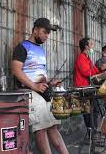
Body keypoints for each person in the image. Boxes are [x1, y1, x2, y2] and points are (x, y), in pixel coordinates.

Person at [11, 18, 68, 154]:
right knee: (41, 128)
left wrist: (50, 82)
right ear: (35, 30)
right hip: (29, 92)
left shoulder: (41, 50)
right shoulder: (22, 47)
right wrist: (34, 86)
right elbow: (16, 70)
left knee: (53, 126)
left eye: (48, 33)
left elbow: (38, 73)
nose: (47, 36)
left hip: (44, 91)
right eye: (45, 32)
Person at [73, 38, 100, 128]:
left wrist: (103, 71)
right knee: (89, 111)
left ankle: (93, 132)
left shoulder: (87, 58)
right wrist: (96, 71)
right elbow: (86, 72)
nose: (93, 46)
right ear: (86, 46)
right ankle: (92, 134)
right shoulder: (81, 57)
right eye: (91, 44)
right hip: (83, 88)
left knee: (94, 110)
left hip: (87, 88)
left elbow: (95, 70)